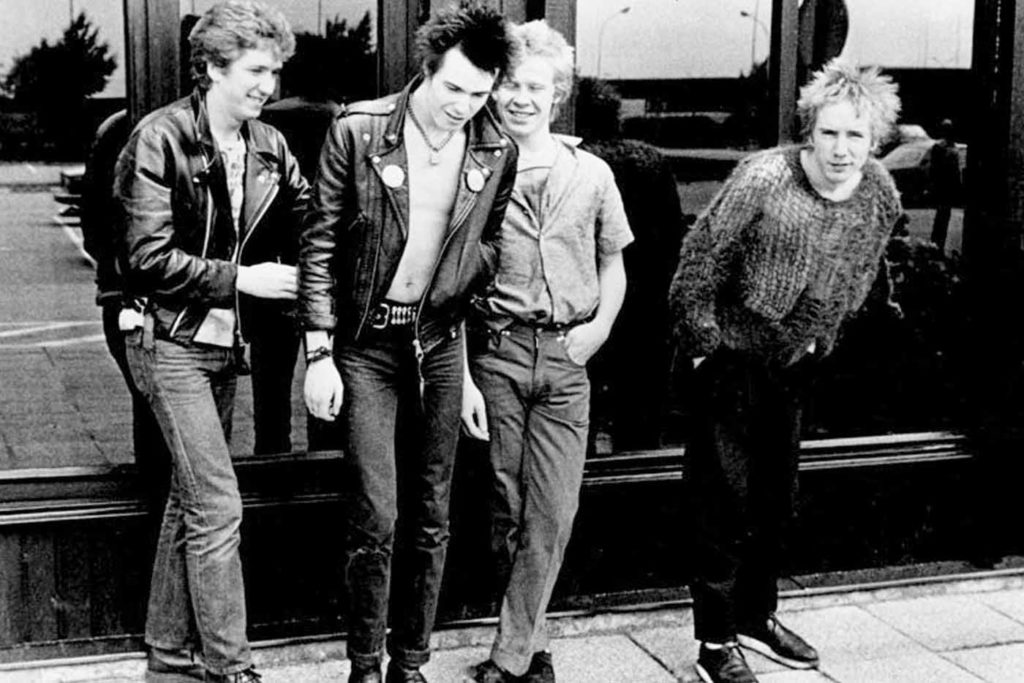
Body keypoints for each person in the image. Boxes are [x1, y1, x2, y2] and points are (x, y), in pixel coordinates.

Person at [297, 2, 518, 681]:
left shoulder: (495, 147)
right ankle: (365, 665)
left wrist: (468, 368)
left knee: (433, 511)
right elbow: (318, 244)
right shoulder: (358, 130)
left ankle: (411, 662)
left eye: (479, 94)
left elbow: (485, 251)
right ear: (425, 69)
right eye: (453, 88)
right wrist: (318, 352)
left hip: (439, 344)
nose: (463, 105)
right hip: (365, 346)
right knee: (376, 512)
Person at [669, 60, 902, 683]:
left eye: (855, 135)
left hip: (793, 362)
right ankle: (715, 641)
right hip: (730, 358)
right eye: (829, 133)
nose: (841, 148)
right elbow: (700, 262)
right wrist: (704, 344)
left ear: (875, 139)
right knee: (722, 501)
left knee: (775, 501)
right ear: (810, 131)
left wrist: (823, 335)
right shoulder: (763, 179)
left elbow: (861, 267)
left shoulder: (878, 193)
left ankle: (754, 615)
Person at [113, 2, 309, 680]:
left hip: (223, 346)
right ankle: (231, 666)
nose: (268, 85)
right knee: (218, 503)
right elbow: (144, 257)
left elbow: (314, 218)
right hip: (165, 341)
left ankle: (168, 658)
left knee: (191, 500)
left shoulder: (268, 145)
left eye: (275, 72)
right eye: (255, 71)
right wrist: (243, 280)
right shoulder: (158, 137)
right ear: (211, 69)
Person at [463, 21, 633, 683]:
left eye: (536, 87)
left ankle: (510, 654)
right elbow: (450, 285)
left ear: (557, 95)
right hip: (499, 354)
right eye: (510, 85)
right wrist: (468, 377)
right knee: (506, 507)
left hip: (567, 357)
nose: (521, 98)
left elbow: (613, 264)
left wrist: (601, 327)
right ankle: (533, 649)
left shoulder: (591, 174)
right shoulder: (472, 171)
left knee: (554, 509)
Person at [80, 109, 172, 508]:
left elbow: (91, 220)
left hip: (121, 292)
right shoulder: (135, 130)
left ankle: (154, 503)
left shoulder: (115, 128)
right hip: (140, 293)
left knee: (149, 407)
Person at [928, 118, 962, 252]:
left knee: (944, 215)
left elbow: (956, 169)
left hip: (948, 184)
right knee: (942, 215)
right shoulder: (940, 147)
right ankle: (936, 243)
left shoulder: (952, 147)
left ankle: (938, 243)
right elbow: (934, 168)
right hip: (942, 184)